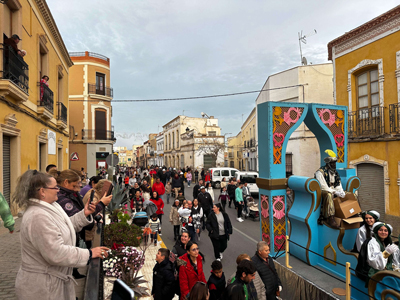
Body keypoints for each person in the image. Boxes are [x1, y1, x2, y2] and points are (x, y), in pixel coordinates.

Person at [13, 170, 109, 300]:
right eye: (54, 188)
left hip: (53, 283)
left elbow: (66, 226)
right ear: (42, 191)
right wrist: (90, 254)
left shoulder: (51, 206)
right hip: (43, 288)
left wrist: (84, 214)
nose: (58, 190)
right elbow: (55, 253)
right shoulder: (37, 216)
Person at [314, 149, 346, 228]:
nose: (334, 165)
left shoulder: (335, 172)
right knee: (328, 195)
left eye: (335, 163)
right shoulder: (320, 172)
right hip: (323, 192)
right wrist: (334, 192)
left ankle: (349, 213)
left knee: (348, 194)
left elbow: (338, 183)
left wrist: (341, 191)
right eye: (332, 163)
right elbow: (323, 186)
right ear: (328, 164)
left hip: (333, 190)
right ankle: (330, 218)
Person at [82, 179, 113, 248]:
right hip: (87, 232)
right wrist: (103, 203)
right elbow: (91, 212)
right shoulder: (93, 196)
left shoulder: (95, 193)